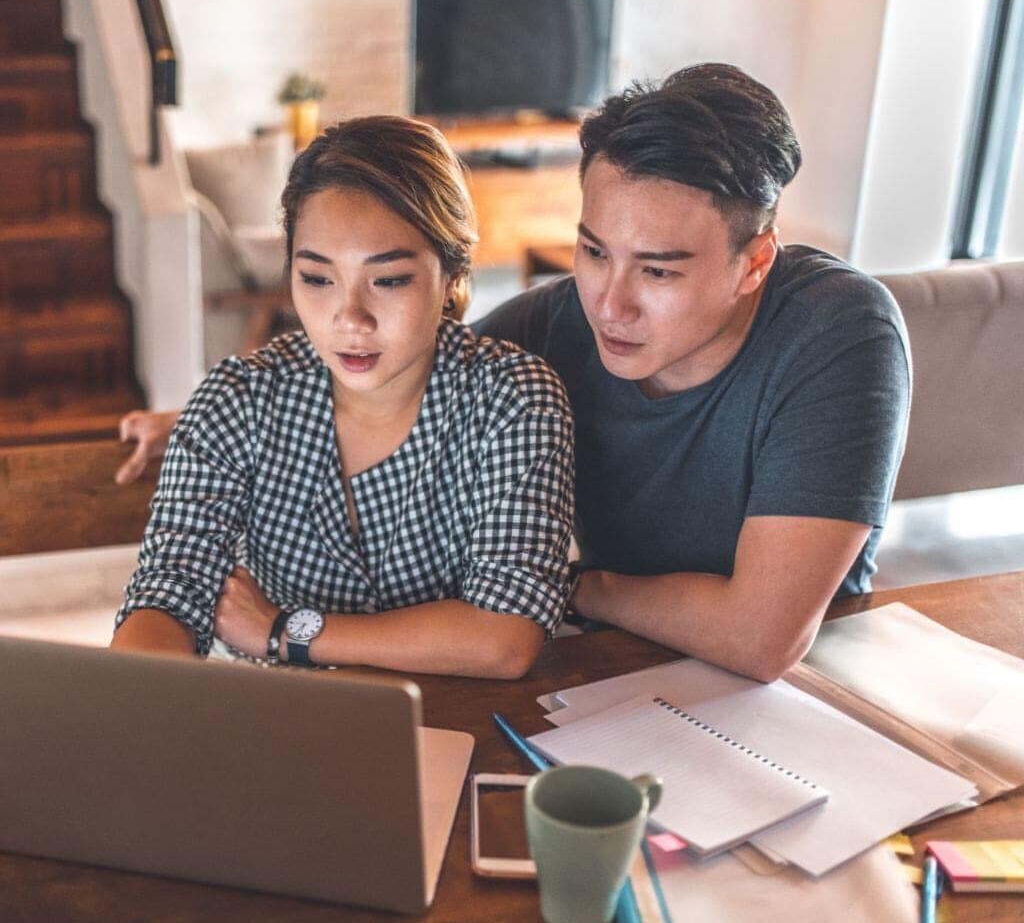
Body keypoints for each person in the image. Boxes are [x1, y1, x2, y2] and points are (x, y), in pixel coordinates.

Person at [119, 64, 910, 684]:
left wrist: (575, 588)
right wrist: (200, 420)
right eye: (594, 250)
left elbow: (762, 637)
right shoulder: (551, 326)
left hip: (805, 692)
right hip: (607, 675)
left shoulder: (838, 330)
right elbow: (396, 367)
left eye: (658, 273)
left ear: (753, 263)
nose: (610, 303)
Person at [111, 116, 575, 679]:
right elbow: (170, 591)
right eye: (317, 278)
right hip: (284, 724)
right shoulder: (236, 400)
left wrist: (284, 631)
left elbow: (505, 635)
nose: (349, 319)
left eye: (389, 279)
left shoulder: (513, 401)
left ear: (452, 271)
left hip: (459, 720)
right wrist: (130, 700)